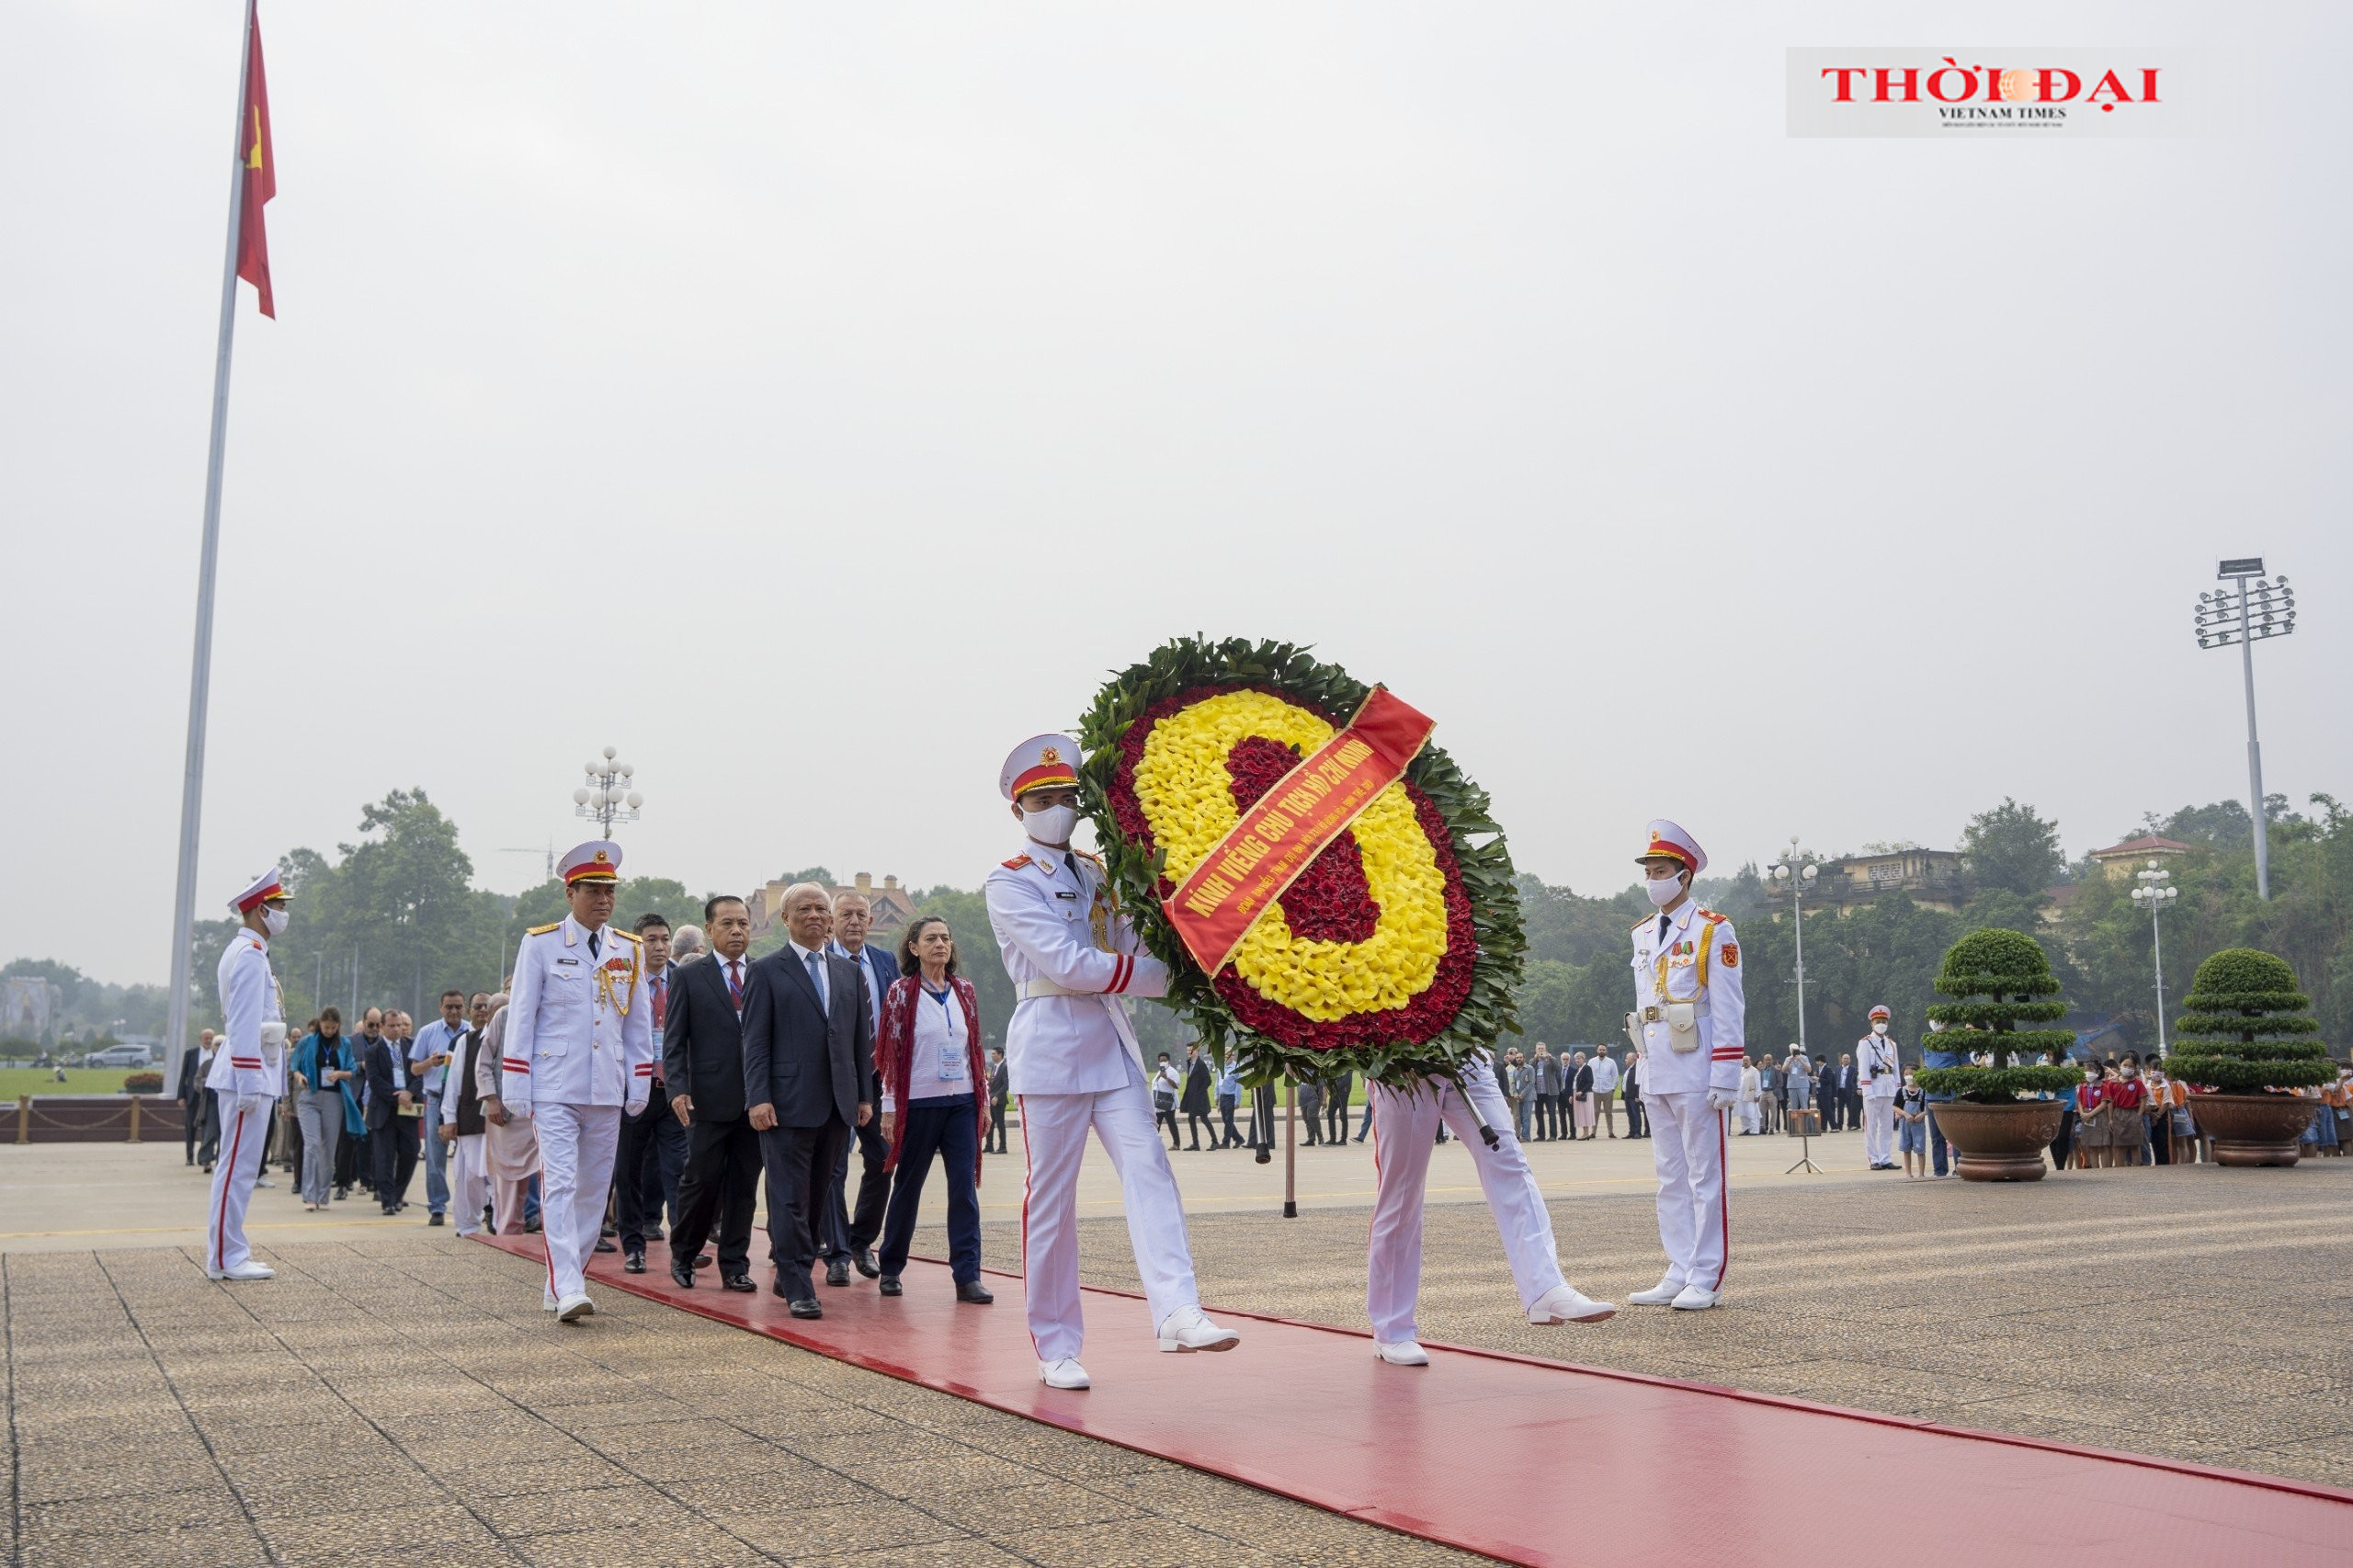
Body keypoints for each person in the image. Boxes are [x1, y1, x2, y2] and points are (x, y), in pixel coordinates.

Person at [985, 733, 1236, 1389]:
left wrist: (1174, 917)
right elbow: (1069, 964)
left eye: (1067, 796)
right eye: (1044, 799)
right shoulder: (1008, 882)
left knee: (1151, 1170)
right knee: (1051, 1203)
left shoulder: (1098, 872)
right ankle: (1056, 1343)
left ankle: (1179, 1310)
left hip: (1110, 1040)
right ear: (1019, 809)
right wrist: (1167, 978)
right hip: (1051, 1047)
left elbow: (1124, 941)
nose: (1059, 808)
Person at [1365, 1044, 1615, 1365]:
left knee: (1507, 1159)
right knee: (1401, 1192)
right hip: (1400, 1062)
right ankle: (1392, 1328)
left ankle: (1545, 1287)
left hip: (1465, 1053)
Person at [500, 840, 655, 1322]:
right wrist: (516, 1083)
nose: (603, 900)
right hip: (554, 1085)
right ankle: (569, 1284)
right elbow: (522, 1015)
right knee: (561, 1184)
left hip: (606, 1086)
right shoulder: (541, 943)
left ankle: (562, 1280)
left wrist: (640, 1081)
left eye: (609, 891)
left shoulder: (627, 949)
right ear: (571, 893)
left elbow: (636, 1024)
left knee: (593, 1190)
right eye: (592, 890)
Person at [1626, 821, 1745, 1312]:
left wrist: (1726, 1074)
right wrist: (1643, 1066)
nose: (1653, 879)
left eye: (1661, 871)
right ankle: (1678, 1268)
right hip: (1657, 1065)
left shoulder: (1714, 930)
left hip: (1697, 1066)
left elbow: (1729, 1005)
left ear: (1684, 877)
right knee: (1669, 1176)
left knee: (1703, 1176)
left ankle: (1706, 1274)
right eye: (1649, 871)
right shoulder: (1642, 933)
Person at [742, 882, 872, 1320]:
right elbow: (755, 1042)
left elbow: (858, 1041)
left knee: (819, 1196)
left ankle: (790, 1265)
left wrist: (864, 1097)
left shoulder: (847, 971)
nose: (815, 915)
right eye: (804, 909)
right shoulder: (765, 970)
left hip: (838, 1104)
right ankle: (799, 1281)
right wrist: (758, 1097)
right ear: (786, 918)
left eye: (821, 908)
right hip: (785, 1104)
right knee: (788, 1197)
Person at [872, 915, 993, 1303]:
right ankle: (891, 1267)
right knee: (908, 1186)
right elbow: (890, 1054)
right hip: (918, 1103)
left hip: (962, 1104)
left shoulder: (965, 991)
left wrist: (984, 1102)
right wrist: (889, 1107)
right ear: (914, 947)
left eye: (945, 937)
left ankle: (967, 1275)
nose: (940, 944)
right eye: (931, 938)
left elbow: (974, 1051)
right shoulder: (901, 992)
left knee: (963, 1189)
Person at [664, 895, 762, 1292]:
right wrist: (677, 1088)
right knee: (700, 1181)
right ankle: (684, 1253)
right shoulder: (689, 976)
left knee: (743, 1186)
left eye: (742, 923)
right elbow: (674, 1040)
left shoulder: (763, 973)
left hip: (754, 1101)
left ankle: (735, 1264)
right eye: (727, 923)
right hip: (705, 1098)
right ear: (710, 929)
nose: (736, 930)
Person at [205, 869, 293, 1281]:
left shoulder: (250, 952)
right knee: (237, 1168)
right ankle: (226, 1256)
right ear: (261, 909)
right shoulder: (249, 956)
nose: (282, 914)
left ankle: (230, 1251)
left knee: (239, 1168)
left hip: (253, 1071)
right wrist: (248, 1081)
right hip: (248, 1074)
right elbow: (241, 1025)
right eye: (279, 907)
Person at [824, 889, 898, 1283]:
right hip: (834, 1077)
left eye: (860, 915)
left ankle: (860, 1241)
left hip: (877, 1076)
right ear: (833, 922)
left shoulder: (886, 962)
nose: (854, 921)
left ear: (871, 923)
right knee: (832, 1166)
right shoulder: (821, 960)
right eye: (846, 915)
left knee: (883, 1159)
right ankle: (834, 1251)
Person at [613, 913, 687, 1274]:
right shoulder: (621, 981)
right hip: (631, 1091)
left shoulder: (685, 979)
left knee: (681, 1170)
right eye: (651, 940)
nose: (659, 946)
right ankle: (633, 1245)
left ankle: (683, 1247)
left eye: (664, 939)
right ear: (636, 945)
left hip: (673, 1092)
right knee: (628, 1172)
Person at [474, 991, 537, 1234]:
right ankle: (509, 1233)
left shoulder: (557, 1012)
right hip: (507, 1111)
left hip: (546, 1110)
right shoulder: (505, 1015)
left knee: (555, 1177)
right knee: (510, 1180)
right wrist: (491, 1099)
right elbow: (484, 1062)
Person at [407, 991, 467, 1225]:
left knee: (469, 1155)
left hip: (465, 1100)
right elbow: (414, 1070)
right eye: (449, 1007)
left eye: (458, 1007)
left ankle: (469, 1205)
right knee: (435, 1157)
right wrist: (429, 1063)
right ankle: (438, 1206)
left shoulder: (471, 1032)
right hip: (435, 1099)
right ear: (440, 1007)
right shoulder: (428, 1032)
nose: (454, 1011)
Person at [290, 1008, 355, 1211]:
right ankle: (309, 1194)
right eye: (326, 1027)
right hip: (309, 1097)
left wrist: (340, 1074)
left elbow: (352, 1071)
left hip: (334, 1099)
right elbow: (295, 1066)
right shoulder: (307, 1042)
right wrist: (300, 1076)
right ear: (320, 1024)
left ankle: (322, 1195)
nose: (329, 1031)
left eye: (333, 1028)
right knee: (312, 1144)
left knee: (328, 1149)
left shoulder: (344, 1043)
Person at [358, 1010, 413, 1216]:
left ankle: (398, 1194)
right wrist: (396, 1095)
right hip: (383, 1109)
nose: (397, 1029)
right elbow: (374, 1080)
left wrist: (410, 1092)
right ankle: (388, 1200)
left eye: (399, 1025)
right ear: (382, 1027)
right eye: (392, 1026)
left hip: (407, 1109)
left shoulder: (411, 1046)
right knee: (384, 1158)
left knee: (410, 1151)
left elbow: (417, 1074)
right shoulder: (373, 1051)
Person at [1859, 1006, 1902, 1171]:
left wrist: (1899, 1093)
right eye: (1878, 1021)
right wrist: (1867, 1090)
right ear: (1872, 1023)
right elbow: (1863, 1068)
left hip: (1889, 1088)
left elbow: (1896, 1069)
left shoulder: (1892, 1044)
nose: (1881, 1024)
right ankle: (1874, 1159)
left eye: (1884, 1021)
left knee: (1887, 1126)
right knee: (1871, 1127)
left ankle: (1886, 1158)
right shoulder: (1865, 1043)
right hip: (1874, 1089)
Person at [1920, 1020, 1963, 1176]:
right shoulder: (1926, 1041)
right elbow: (1926, 1063)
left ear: (1947, 1023)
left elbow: (1966, 1067)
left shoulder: (1956, 1041)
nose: (1936, 1023)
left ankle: (1960, 1168)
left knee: (1956, 1136)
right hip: (1931, 1095)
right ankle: (1940, 1171)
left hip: (1952, 1095)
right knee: (1936, 1137)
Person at [1180, 1044, 1218, 1151]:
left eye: (1190, 1050)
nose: (1188, 1052)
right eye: (1187, 1050)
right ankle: (1195, 1143)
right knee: (1191, 1118)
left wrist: (1199, 1092)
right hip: (1192, 1098)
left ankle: (1214, 1141)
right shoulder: (1190, 1063)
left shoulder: (1200, 1064)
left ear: (1196, 1051)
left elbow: (1208, 1080)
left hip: (1200, 1099)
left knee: (1204, 1119)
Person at [2073, 1062, 2109, 1169]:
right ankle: (2095, 1169)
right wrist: (2082, 1112)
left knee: (2102, 1146)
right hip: (2086, 1117)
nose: (2088, 1073)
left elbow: (2104, 1103)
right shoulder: (2083, 1087)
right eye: (2086, 1070)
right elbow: (2078, 1100)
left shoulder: (2103, 1086)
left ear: (2098, 1072)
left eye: (2091, 1070)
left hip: (2099, 1116)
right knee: (2091, 1146)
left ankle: (2106, 1170)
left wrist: (2091, 1114)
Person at [1896, 1068, 1928, 1178]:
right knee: (1906, 1148)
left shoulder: (1923, 1091)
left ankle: (1921, 1173)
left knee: (1920, 1149)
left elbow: (1928, 1108)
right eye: (1906, 1074)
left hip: (1919, 1124)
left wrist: (1922, 1114)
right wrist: (1905, 1114)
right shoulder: (1901, 1091)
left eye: (1911, 1074)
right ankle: (1908, 1173)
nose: (1908, 1076)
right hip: (1905, 1124)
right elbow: (1894, 1106)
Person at [1152, 1052, 1184, 1148]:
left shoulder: (1172, 1072)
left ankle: (1176, 1143)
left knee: (1171, 1123)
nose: (1163, 1062)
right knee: (1157, 1123)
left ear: (1168, 1060)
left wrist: (1166, 1077)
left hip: (1168, 1102)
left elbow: (1176, 1086)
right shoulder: (1159, 1071)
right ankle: (1154, 1143)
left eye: (1165, 1060)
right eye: (1161, 1060)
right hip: (1159, 1103)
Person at [1589, 1046, 1620, 1139]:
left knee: (1608, 1112)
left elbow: (1615, 1076)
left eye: (1603, 1050)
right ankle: (1593, 1132)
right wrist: (1590, 1087)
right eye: (1600, 1049)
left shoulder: (1611, 1062)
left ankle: (1610, 1132)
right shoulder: (1591, 1061)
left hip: (1607, 1090)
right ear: (1597, 1050)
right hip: (1595, 1090)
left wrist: (1613, 1088)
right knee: (1595, 1112)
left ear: (1606, 1051)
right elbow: (1588, 1075)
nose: (1602, 1051)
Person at [1530, 1044, 1560, 1142]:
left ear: (1546, 1050)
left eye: (1542, 1049)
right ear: (1536, 1050)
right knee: (1539, 1114)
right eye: (1539, 1049)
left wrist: (1551, 1058)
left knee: (1551, 1114)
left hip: (1550, 1092)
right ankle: (1541, 1135)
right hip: (1538, 1092)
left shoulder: (1550, 1060)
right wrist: (1535, 1060)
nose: (1541, 1050)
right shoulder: (1533, 1061)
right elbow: (1529, 1070)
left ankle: (1553, 1135)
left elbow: (1557, 1069)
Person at [1214, 1053, 1243, 1149]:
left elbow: (1239, 1086)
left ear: (1231, 1057)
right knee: (1225, 1119)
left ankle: (1226, 1142)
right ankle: (1239, 1138)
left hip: (1231, 1097)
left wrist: (1237, 1101)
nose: (1225, 1059)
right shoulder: (1220, 1067)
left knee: (1229, 1120)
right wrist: (1216, 1097)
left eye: (1227, 1057)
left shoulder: (1236, 1068)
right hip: (1222, 1097)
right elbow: (1217, 1083)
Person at [986, 1048, 1011, 1154]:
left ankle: (1002, 1147)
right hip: (991, 1099)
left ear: (1000, 1055)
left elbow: (1006, 1084)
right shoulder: (994, 1067)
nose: (992, 1056)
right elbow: (993, 1083)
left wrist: (997, 1096)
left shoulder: (1005, 1067)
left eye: (994, 1054)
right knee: (990, 1124)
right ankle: (989, 1146)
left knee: (1000, 1124)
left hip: (999, 1101)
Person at [1568, 1051, 1595, 1139]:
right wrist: (1572, 1095)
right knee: (1581, 1114)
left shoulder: (1587, 1068)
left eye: (1579, 1058)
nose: (1577, 1060)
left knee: (1585, 1113)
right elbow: (1574, 1084)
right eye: (1576, 1059)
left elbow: (1590, 1082)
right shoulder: (1578, 1069)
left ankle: (1586, 1133)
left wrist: (1582, 1091)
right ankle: (1584, 1133)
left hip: (1585, 1094)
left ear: (1583, 1059)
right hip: (1577, 1093)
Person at [1324, 1067, 1353, 1145]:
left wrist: (1333, 1086)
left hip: (1343, 1094)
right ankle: (1332, 1139)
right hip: (1334, 1094)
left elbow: (1345, 1080)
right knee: (1330, 1114)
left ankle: (1343, 1140)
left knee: (1343, 1116)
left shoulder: (1348, 1067)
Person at [1622, 1044, 1646, 1139]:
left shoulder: (1637, 1068)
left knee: (1636, 1114)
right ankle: (1631, 1131)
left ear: (1632, 1059)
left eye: (1626, 1058)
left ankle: (1637, 1132)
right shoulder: (1629, 1069)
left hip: (1634, 1096)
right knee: (1630, 1115)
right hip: (1627, 1096)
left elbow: (1638, 1083)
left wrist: (1637, 1096)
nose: (1625, 1060)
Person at [1735, 1055, 1762, 1135]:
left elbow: (1758, 1084)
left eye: (1747, 1060)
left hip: (1751, 1096)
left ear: (1750, 1061)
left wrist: (1757, 1095)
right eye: (1744, 1061)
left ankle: (1754, 1130)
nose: (1745, 1062)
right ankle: (1745, 1129)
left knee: (1752, 1113)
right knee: (1743, 1113)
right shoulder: (1741, 1070)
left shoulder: (1755, 1071)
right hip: (1741, 1096)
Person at [1298, 1073, 1324, 1146]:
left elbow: (1323, 1086)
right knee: (1306, 1119)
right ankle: (1311, 1139)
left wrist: (1323, 1100)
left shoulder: (1317, 1073)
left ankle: (1320, 1137)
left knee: (1312, 1116)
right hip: (1303, 1100)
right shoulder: (1301, 1072)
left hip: (1314, 1099)